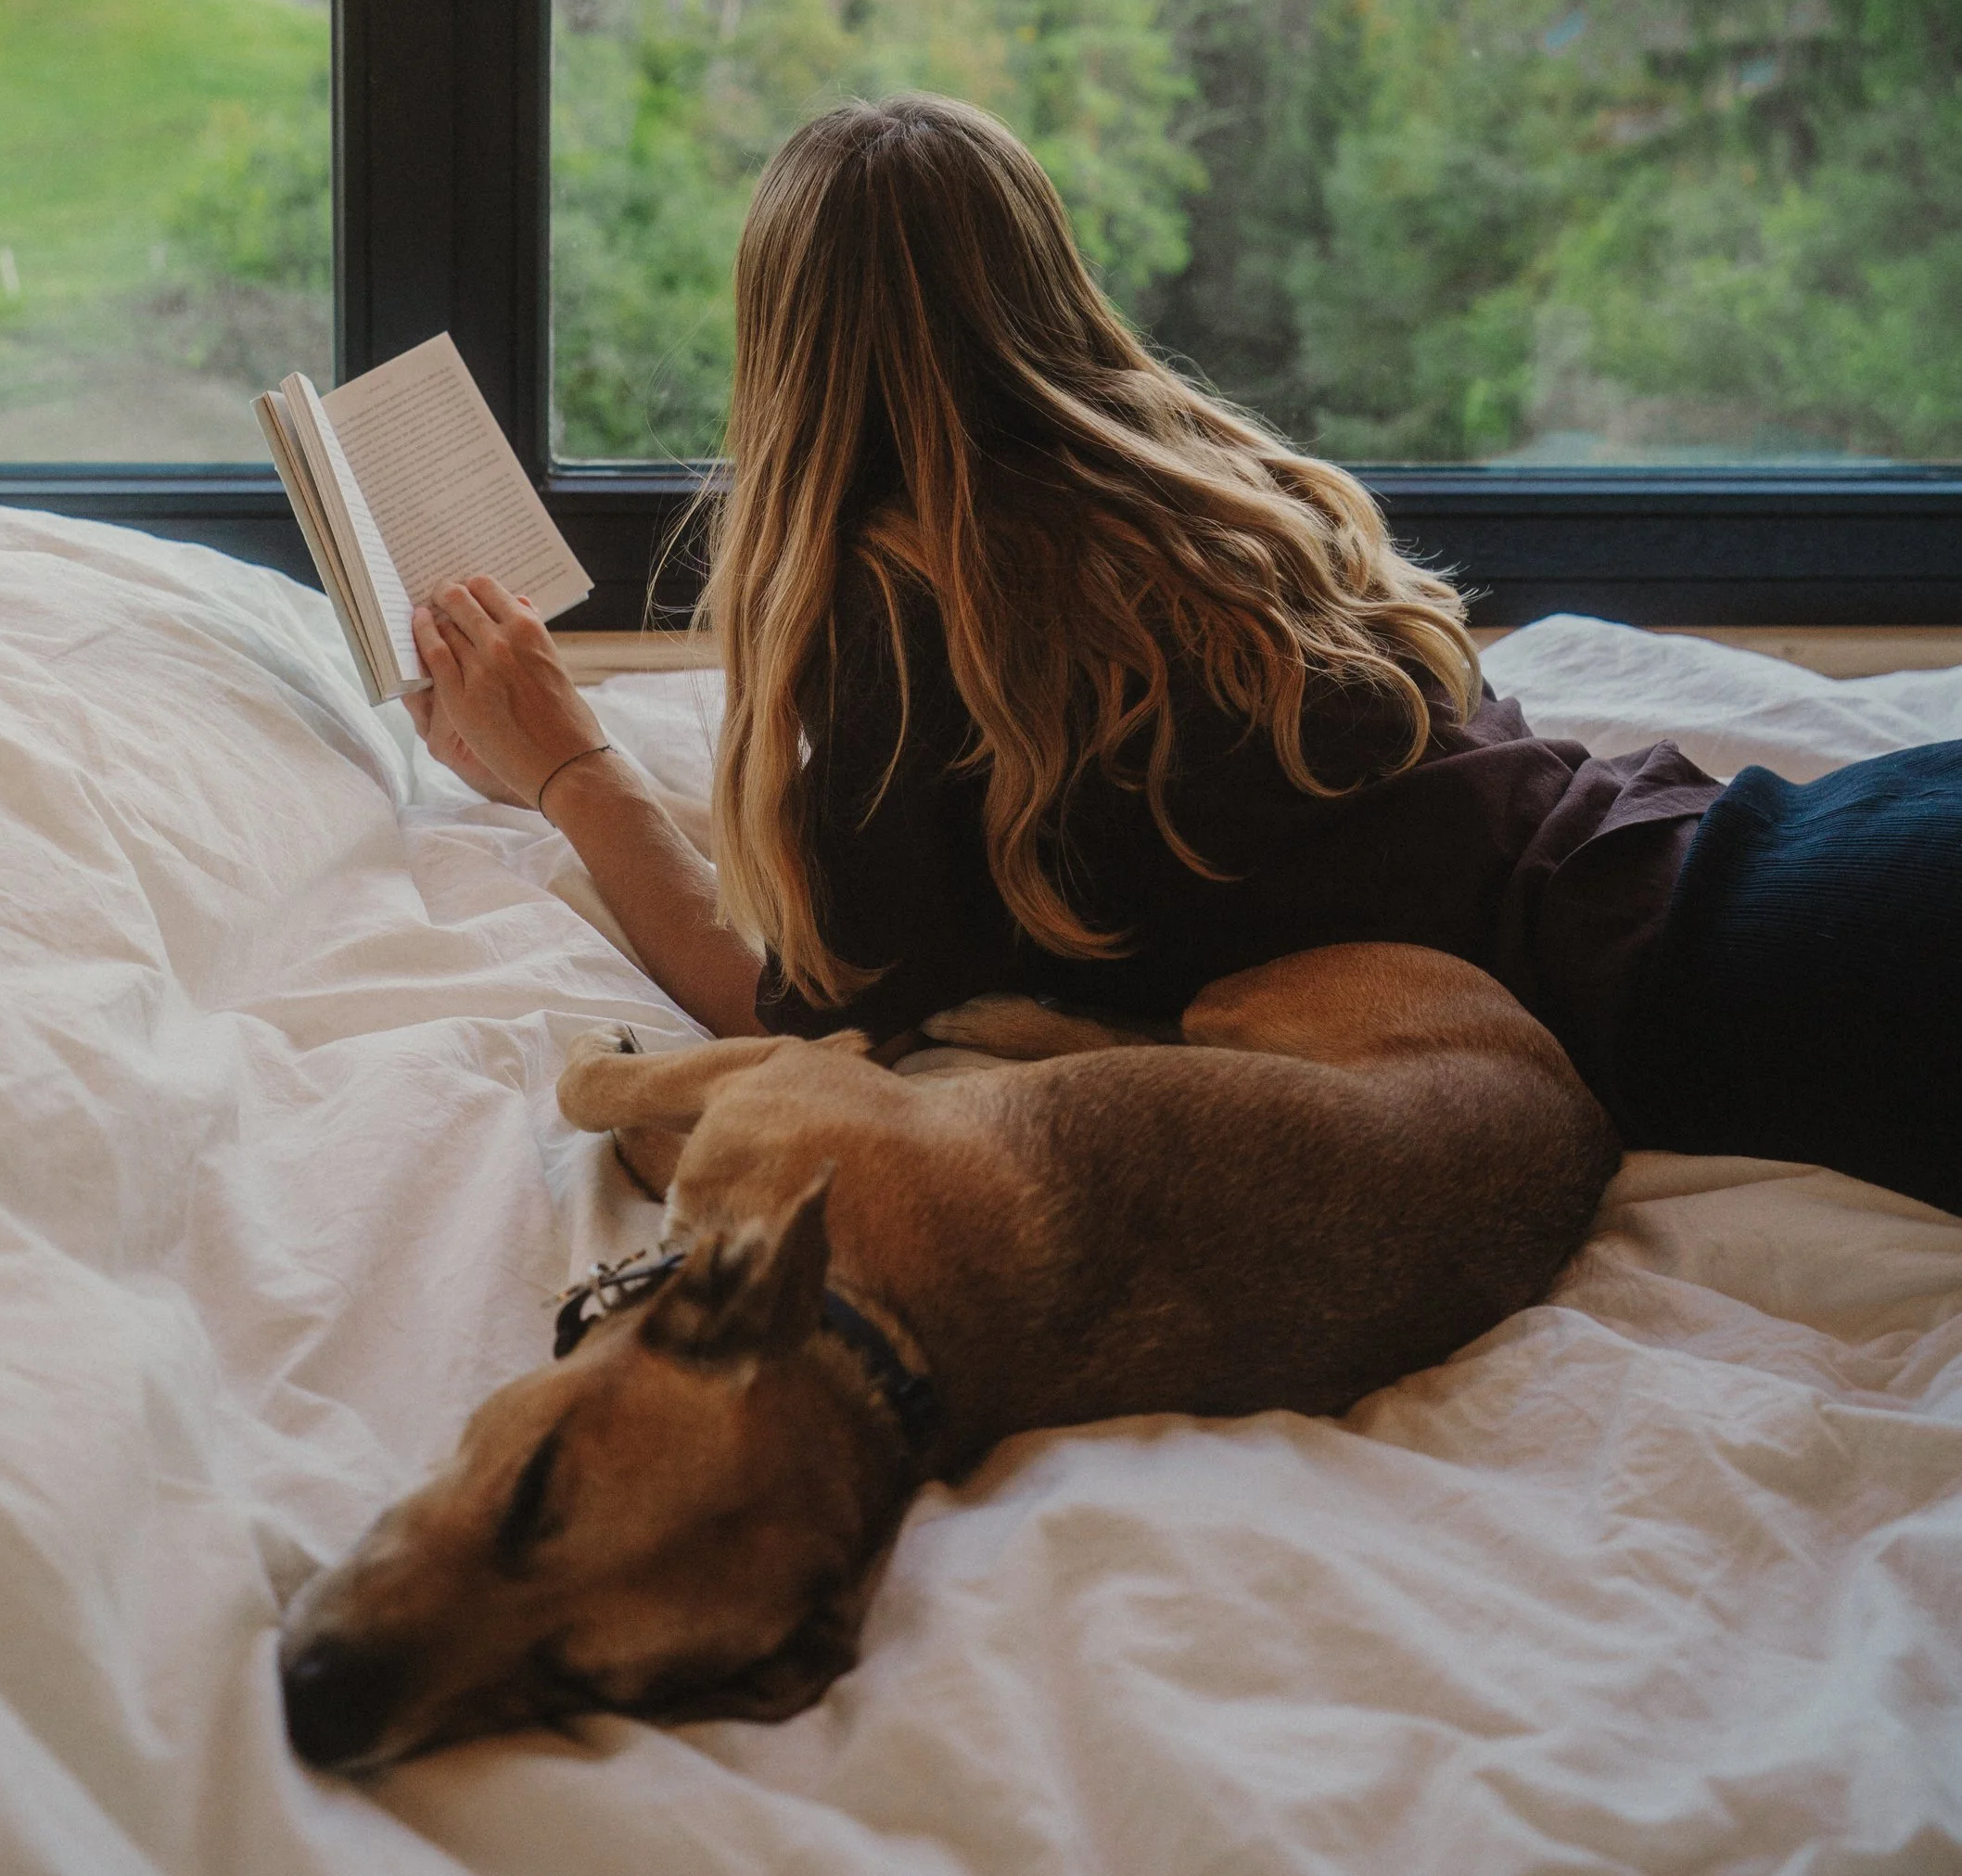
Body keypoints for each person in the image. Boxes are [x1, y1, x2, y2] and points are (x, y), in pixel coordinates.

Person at [409, 96, 1960, 1218]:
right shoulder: (1209, 501)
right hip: (1781, 851)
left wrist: (567, 765)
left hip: (1736, 986)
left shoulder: (926, 635)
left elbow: (779, 1004)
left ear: (793, 372)